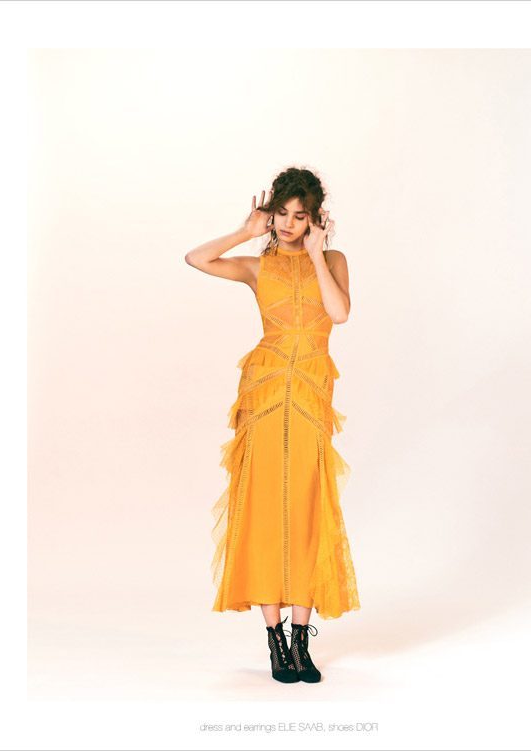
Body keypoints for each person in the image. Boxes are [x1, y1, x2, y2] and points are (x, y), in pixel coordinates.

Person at [185, 167, 360, 683]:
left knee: (306, 508)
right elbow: (196, 258)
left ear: (315, 220)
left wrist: (315, 254)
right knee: (265, 507)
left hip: (309, 396)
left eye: (298, 216)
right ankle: (275, 639)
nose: (287, 224)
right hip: (264, 395)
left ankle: (302, 640)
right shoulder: (258, 267)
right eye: (281, 214)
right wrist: (245, 231)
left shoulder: (333, 261)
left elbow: (339, 314)